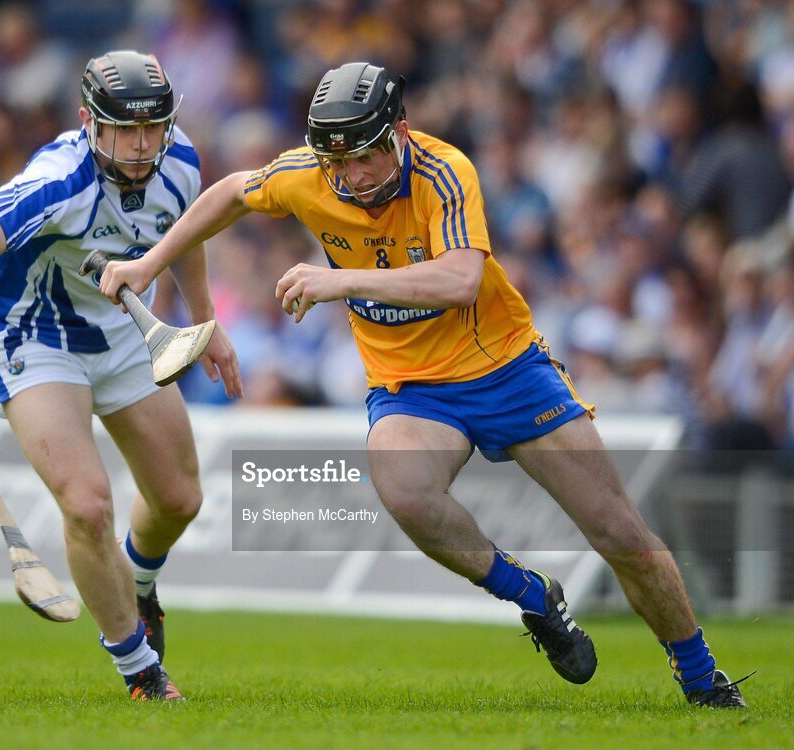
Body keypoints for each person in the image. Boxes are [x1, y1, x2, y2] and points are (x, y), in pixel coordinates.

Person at [101, 62, 748, 708]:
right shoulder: (309, 175)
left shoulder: (446, 173)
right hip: (412, 388)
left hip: (508, 371)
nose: (351, 177)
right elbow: (230, 193)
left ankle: (701, 678)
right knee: (404, 489)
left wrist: (342, 281)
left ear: (400, 134)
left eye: (365, 158)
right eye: (336, 162)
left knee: (620, 536)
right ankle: (533, 597)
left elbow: (460, 279)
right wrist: (150, 261)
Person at [0, 50, 241, 701]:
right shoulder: (60, 178)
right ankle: (141, 672)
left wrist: (205, 318)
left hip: (122, 331)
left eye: (153, 127)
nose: (142, 145)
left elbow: (187, 232)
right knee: (87, 505)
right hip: (36, 339)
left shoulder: (182, 160)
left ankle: (138, 585)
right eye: (124, 130)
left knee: (179, 499)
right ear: (89, 122)